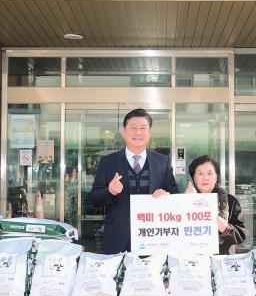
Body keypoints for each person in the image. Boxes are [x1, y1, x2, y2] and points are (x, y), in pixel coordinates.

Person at [90, 109, 178, 253]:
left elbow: (174, 196)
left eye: (143, 128)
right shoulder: (108, 162)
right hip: (117, 237)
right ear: (124, 131)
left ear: (150, 133)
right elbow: (94, 199)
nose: (138, 133)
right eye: (133, 128)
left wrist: (166, 196)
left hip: (153, 238)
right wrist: (110, 192)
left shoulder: (163, 162)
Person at [186, 155, 247, 255]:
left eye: (210, 173)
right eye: (200, 173)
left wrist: (226, 229)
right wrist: (187, 202)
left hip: (222, 259)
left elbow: (242, 234)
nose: (205, 177)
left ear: (216, 177)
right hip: (193, 260)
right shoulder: (184, 200)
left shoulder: (230, 201)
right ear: (194, 179)